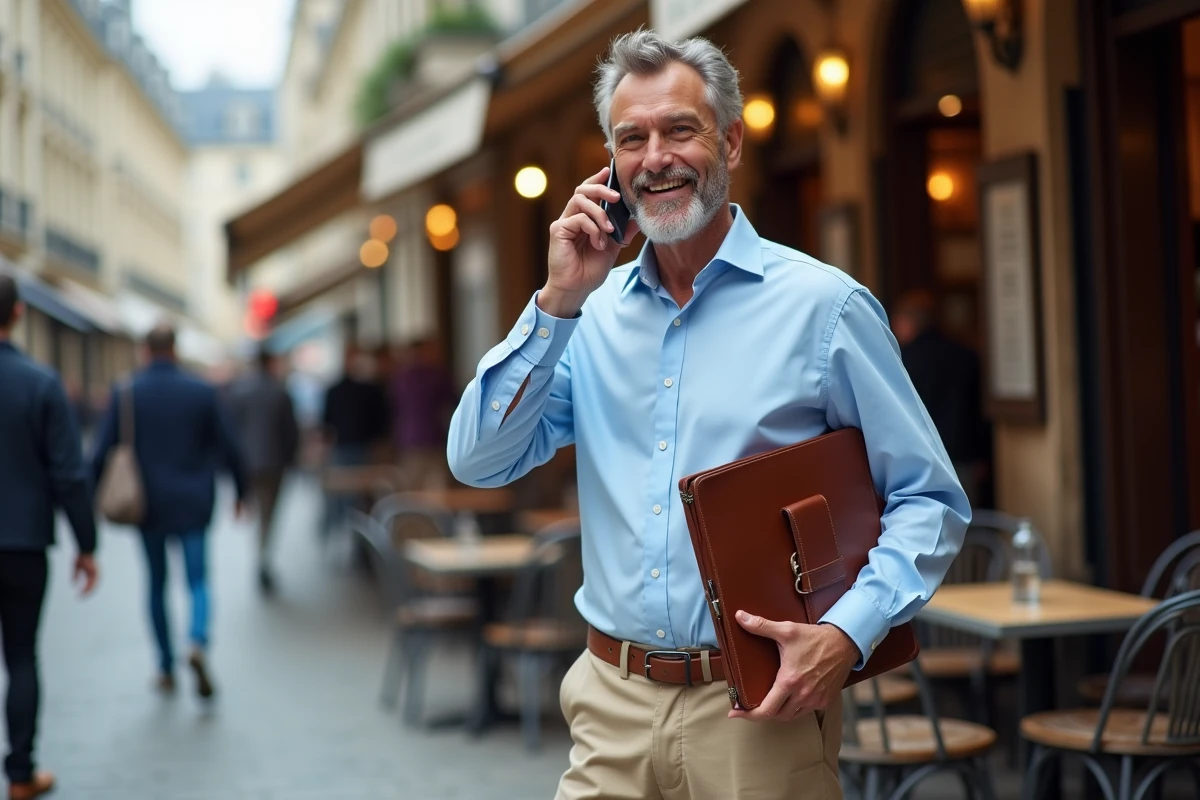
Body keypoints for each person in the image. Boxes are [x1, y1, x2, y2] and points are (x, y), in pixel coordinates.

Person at [447, 31, 969, 800]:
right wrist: (556, 303)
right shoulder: (586, 320)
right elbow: (479, 460)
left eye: (679, 130)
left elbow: (929, 499)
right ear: (611, 165)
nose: (655, 156)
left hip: (761, 710)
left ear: (729, 142)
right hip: (610, 704)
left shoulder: (824, 309)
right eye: (633, 138)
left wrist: (846, 633)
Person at [91, 323, 247, 700]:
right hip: (194, 500)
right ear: (175, 350)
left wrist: (87, 500)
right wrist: (242, 491)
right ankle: (197, 640)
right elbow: (230, 445)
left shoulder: (127, 392)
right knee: (197, 580)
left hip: (148, 504)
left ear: (146, 351)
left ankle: (164, 664)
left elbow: (101, 452)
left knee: (156, 584)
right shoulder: (202, 391)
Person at [0, 274, 99, 800]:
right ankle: (20, 775)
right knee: (20, 656)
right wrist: (87, 544)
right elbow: (69, 474)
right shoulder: (40, 383)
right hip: (22, 542)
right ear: (17, 315)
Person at [891, 290, 993, 507]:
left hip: (920, 460)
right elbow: (978, 411)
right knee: (966, 525)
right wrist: (981, 456)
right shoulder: (965, 355)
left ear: (908, 322)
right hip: (964, 455)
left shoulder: (900, 361)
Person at [224, 347, 299, 594]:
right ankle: (263, 558)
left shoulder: (239, 391)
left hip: (247, 464)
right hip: (273, 463)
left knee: (258, 511)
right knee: (268, 514)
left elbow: (230, 431)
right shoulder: (279, 391)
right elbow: (291, 432)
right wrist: (291, 460)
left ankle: (261, 554)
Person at [320, 346, 390, 534]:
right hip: (358, 448)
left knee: (349, 495)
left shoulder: (338, 390)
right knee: (359, 495)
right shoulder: (368, 390)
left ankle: (350, 533)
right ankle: (357, 535)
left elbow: (325, 423)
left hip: (350, 447)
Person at [389, 337, 457, 490]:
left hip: (408, 439)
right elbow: (454, 403)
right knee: (438, 490)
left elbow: (394, 409)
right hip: (434, 437)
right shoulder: (437, 375)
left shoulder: (400, 378)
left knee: (412, 491)